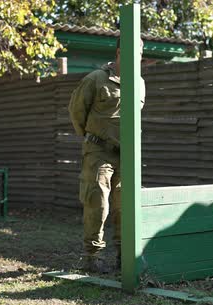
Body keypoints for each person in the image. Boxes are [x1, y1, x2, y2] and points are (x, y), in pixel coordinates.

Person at [68, 38, 145, 273]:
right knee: (97, 202)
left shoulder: (139, 83)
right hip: (99, 151)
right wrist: (93, 138)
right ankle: (94, 257)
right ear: (121, 52)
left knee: (125, 206)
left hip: (126, 155)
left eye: (141, 52)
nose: (139, 56)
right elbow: (76, 111)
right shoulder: (96, 79)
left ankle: (125, 256)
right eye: (135, 51)